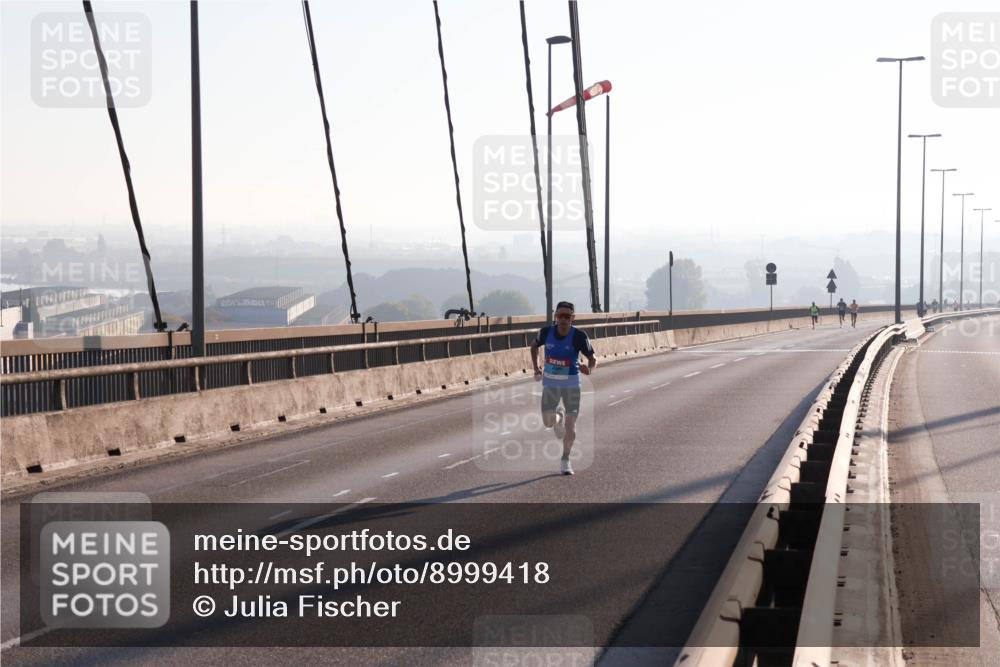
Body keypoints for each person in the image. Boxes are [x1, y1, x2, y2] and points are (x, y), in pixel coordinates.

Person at [530, 301, 596, 475]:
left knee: (571, 425)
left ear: (573, 318)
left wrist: (589, 368)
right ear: (555, 317)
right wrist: (536, 368)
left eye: (567, 316)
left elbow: (593, 359)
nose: (564, 320)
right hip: (550, 384)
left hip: (572, 384)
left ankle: (565, 459)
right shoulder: (546, 333)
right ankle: (557, 417)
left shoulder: (579, 336)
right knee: (547, 421)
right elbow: (534, 346)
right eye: (560, 316)